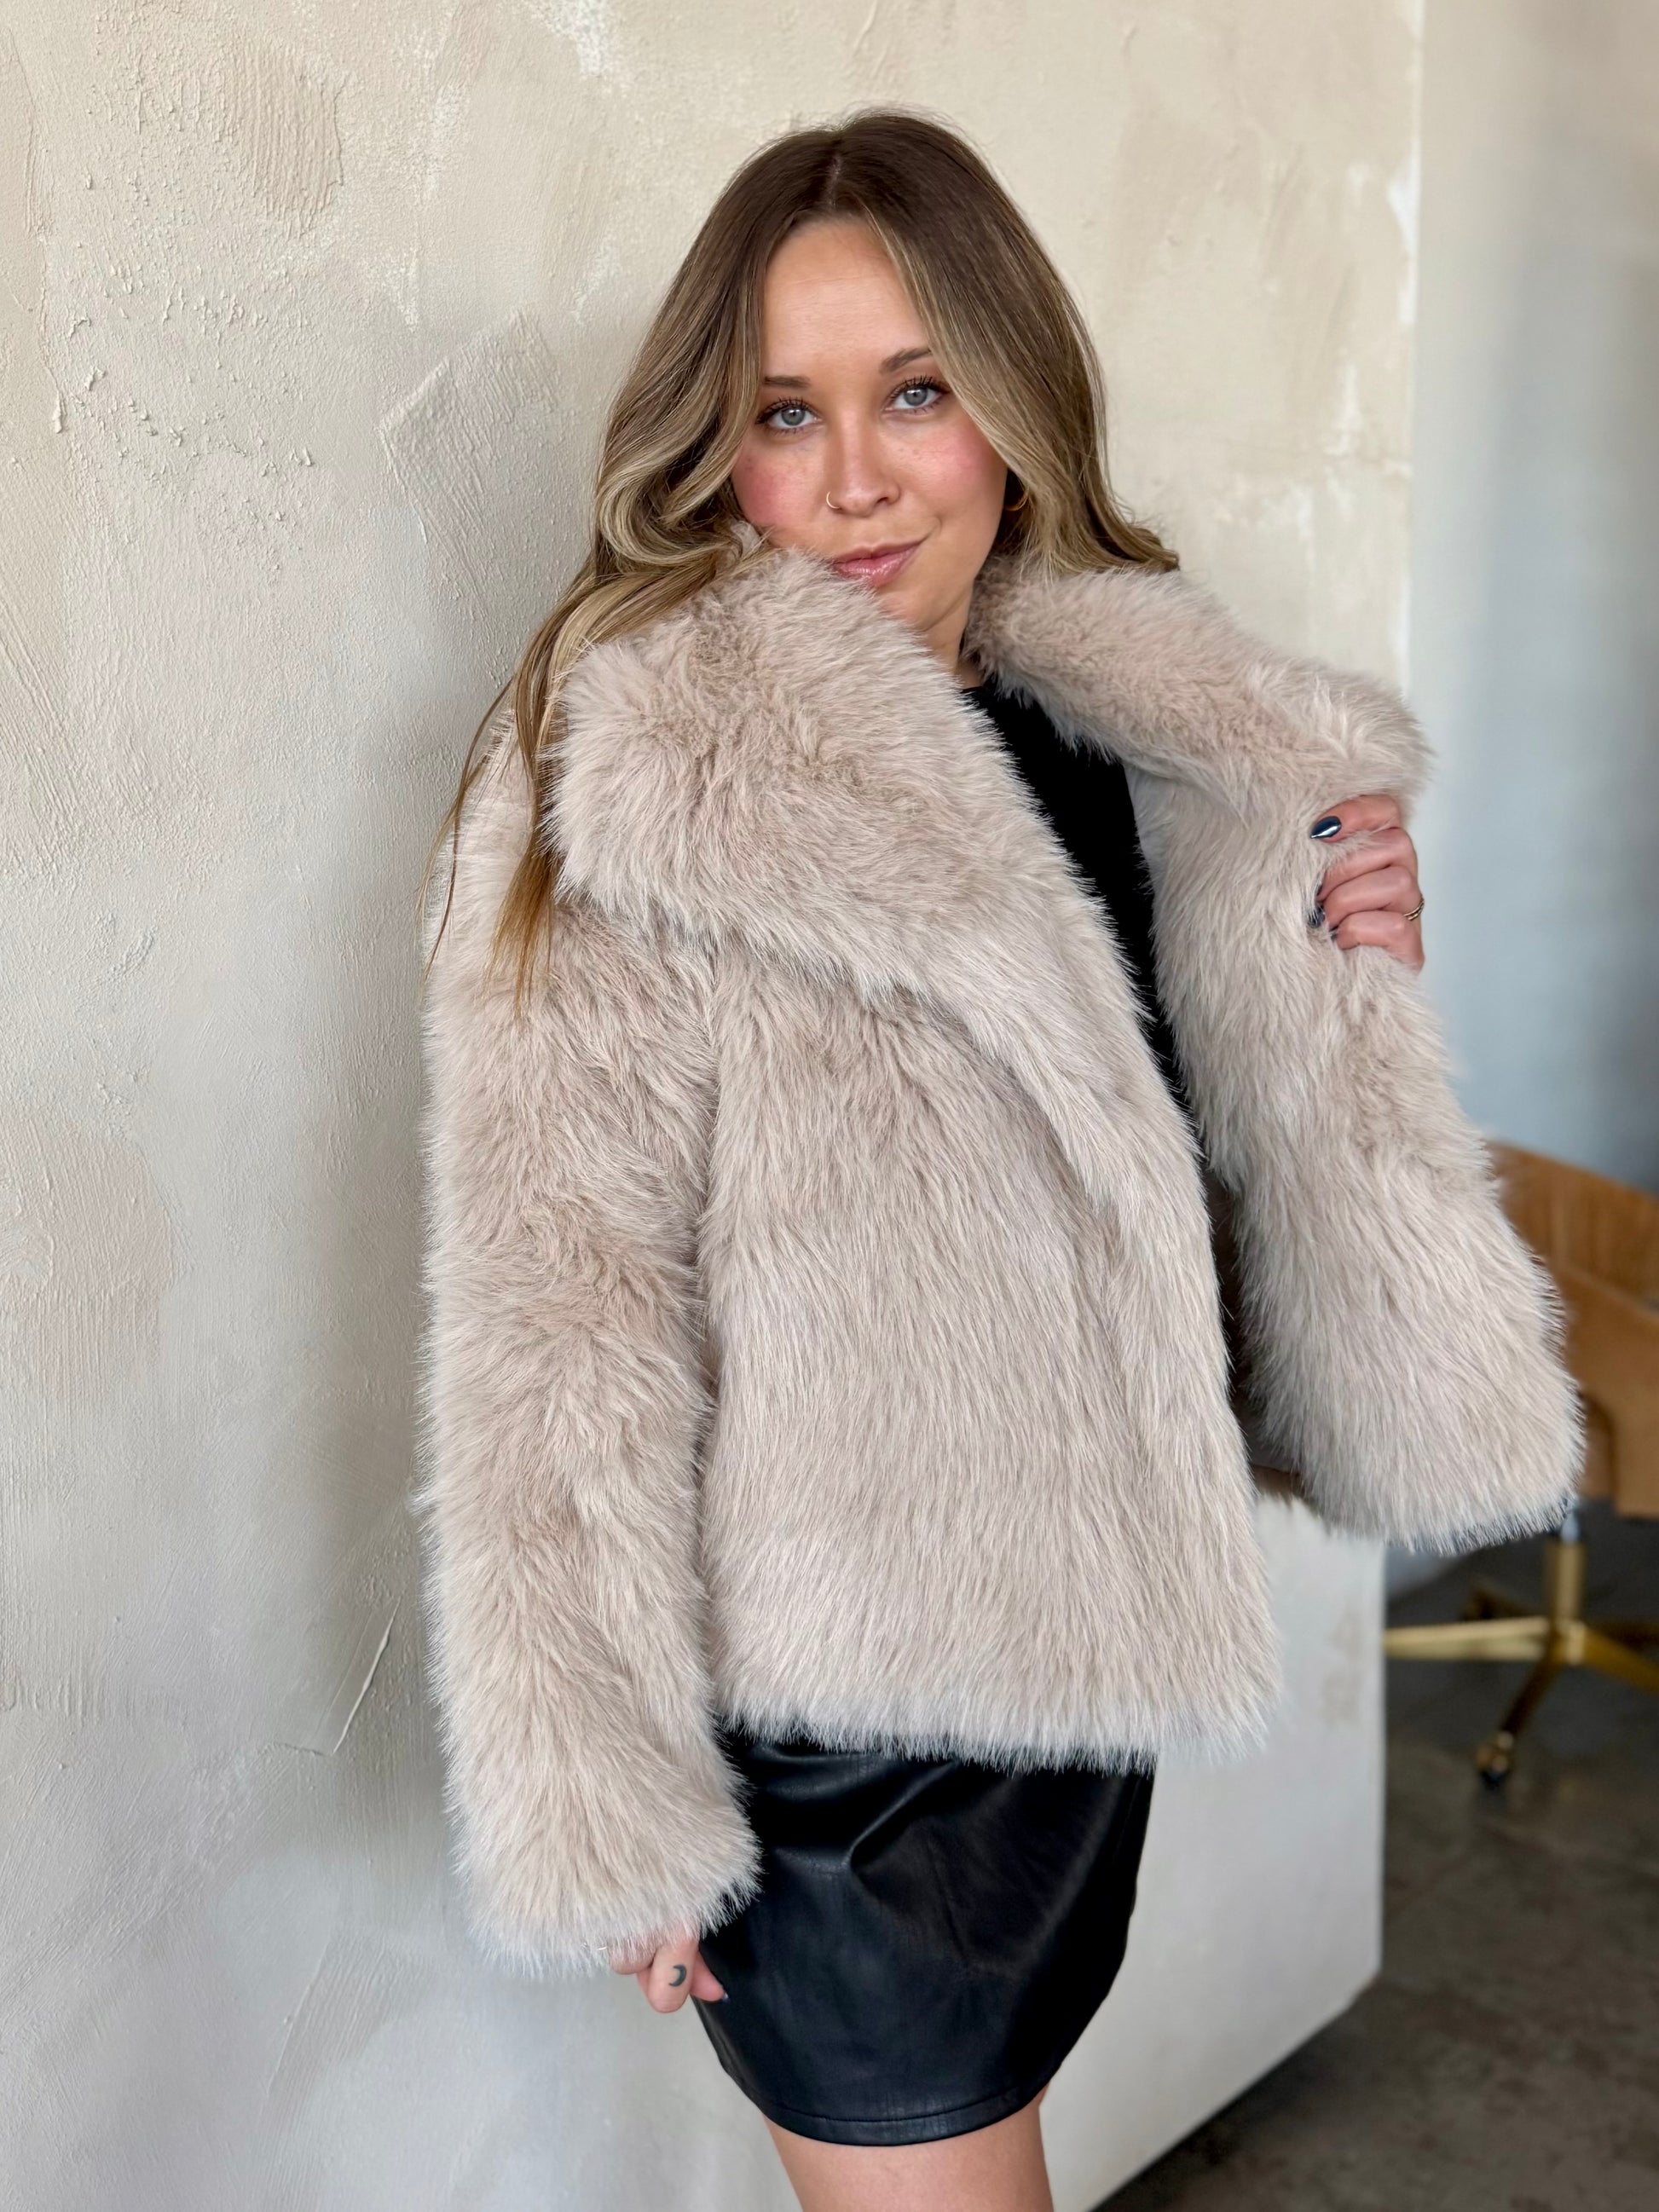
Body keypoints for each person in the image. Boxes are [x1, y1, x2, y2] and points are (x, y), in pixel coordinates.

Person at [413, 110, 1581, 2212]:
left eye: (917, 392)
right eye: (787, 410)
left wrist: (1318, 943)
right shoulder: (640, 770)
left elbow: (1162, 1202)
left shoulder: (1133, 739)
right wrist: (608, 1785)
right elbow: (561, 1311)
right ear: (714, 446)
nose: (856, 476)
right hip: (833, 1738)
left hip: (1076, 1660)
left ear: (1014, 408)